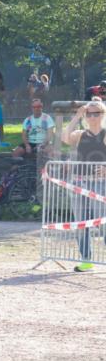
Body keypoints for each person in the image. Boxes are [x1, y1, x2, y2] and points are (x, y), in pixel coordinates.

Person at [62, 99, 106, 272]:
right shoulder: (80, 134)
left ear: (102, 115)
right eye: (89, 114)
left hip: (99, 184)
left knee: (102, 222)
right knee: (81, 223)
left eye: (96, 113)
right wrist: (77, 116)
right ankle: (86, 260)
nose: (92, 117)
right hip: (79, 182)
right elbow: (65, 138)